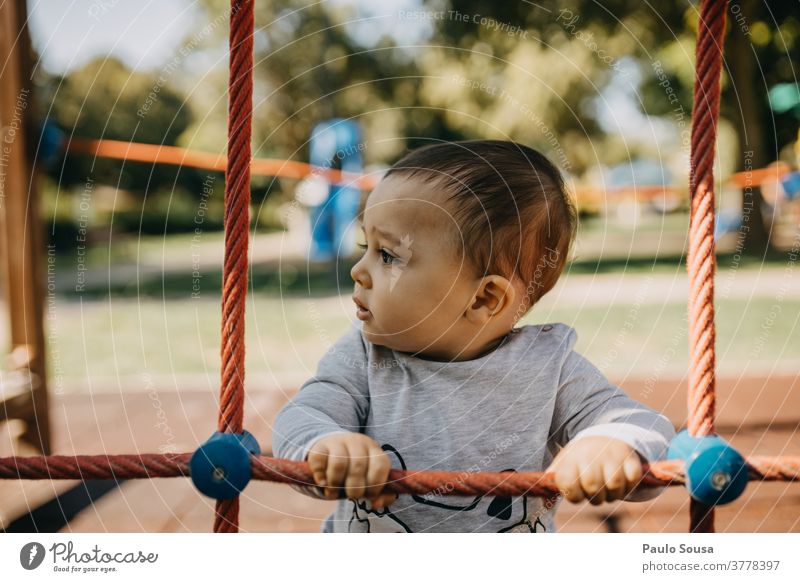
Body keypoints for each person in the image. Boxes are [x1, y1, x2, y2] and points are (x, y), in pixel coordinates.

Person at [272, 140, 675, 532]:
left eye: (388, 256)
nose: (358, 270)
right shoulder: (364, 357)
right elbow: (302, 417)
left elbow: (639, 423)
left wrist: (610, 444)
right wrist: (326, 445)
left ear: (484, 298)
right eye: (366, 245)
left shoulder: (548, 369)